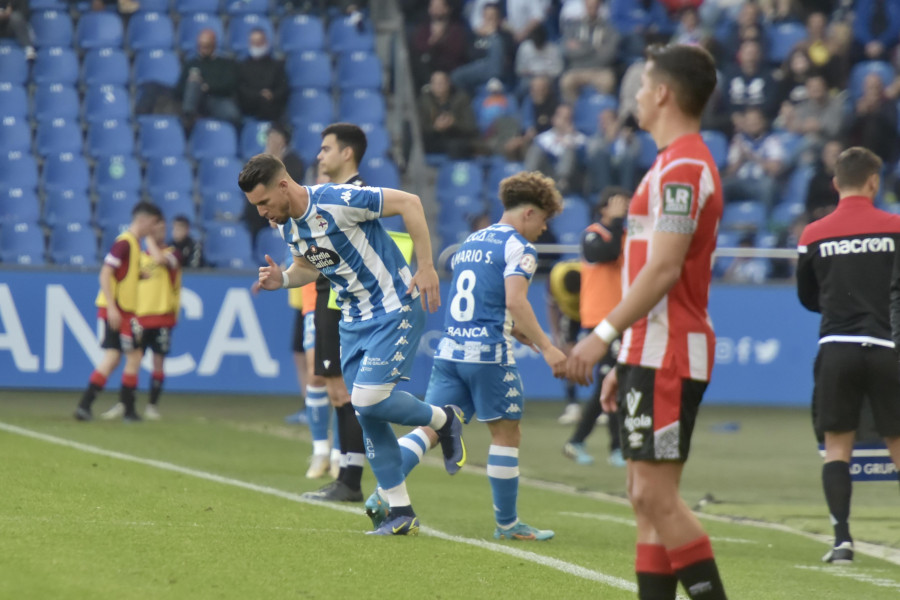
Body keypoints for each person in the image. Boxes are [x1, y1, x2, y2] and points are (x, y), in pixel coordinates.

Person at [567, 44, 727, 600]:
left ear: (662, 93)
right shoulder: (667, 163)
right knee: (642, 495)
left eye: (641, 85)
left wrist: (602, 336)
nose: (634, 95)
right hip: (648, 348)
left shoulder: (685, 166)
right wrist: (624, 355)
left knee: (657, 498)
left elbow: (662, 271)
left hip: (671, 349)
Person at [240, 154, 465, 536]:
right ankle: (401, 511)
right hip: (354, 321)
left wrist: (426, 266)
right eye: (256, 206)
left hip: (395, 306)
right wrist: (285, 280)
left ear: (283, 185)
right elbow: (309, 266)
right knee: (367, 414)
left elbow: (410, 202)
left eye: (264, 203)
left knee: (366, 399)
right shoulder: (288, 228)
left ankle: (444, 419)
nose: (262, 212)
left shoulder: (337, 199)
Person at [369, 171, 566, 542]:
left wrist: (516, 328)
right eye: (543, 219)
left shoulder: (471, 242)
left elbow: (484, 301)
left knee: (431, 427)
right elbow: (514, 300)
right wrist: (548, 346)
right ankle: (508, 525)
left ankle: (383, 493)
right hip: (488, 355)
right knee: (506, 433)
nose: (543, 229)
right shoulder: (520, 247)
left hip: (450, 351)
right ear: (528, 213)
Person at [798, 146, 900, 565]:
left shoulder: (813, 234)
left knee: (837, 446)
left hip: (836, 347)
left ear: (836, 183)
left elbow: (807, 297)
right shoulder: (896, 227)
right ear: (874, 181)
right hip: (887, 348)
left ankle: (842, 540)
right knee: (897, 442)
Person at [74, 202, 163, 422]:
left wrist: (137, 276)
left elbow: (119, 275)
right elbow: (105, 273)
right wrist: (113, 308)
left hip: (121, 310)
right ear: (143, 220)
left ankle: (86, 405)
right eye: (152, 223)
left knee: (114, 358)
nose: (153, 228)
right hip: (118, 311)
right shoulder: (125, 243)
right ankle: (129, 409)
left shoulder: (133, 244)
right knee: (133, 356)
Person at [563, 187, 629, 467]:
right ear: (604, 207)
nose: (624, 209)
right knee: (609, 380)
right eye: (618, 204)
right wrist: (614, 222)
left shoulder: (625, 235)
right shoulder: (594, 234)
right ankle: (604, 445)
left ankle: (583, 441)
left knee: (614, 381)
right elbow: (607, 253)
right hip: (600, 319)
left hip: (623, 316)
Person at [101, 218, 182, 421]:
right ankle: (124, 403)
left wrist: (149, 240)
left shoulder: (173, 253)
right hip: (139, 316)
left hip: (163, 317)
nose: (160, 232)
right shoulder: (137, 256)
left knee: (158, 363)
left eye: (163, 229)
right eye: (156, 229)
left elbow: (161, 261)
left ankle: (152, 406)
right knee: (132, 362)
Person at [244, 122, 305, 240]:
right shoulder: (260, 160)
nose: (271, 140)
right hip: (257, 214)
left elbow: (285, 186)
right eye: (270, 136)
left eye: (275, 136)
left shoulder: (294, 161)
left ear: (283, 140)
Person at [176, 29, 241, 129]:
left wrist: (206, 86)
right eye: (201, 46)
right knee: (193, 82)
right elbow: (178, 89)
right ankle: (188, 118)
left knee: (233, 115)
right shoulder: (191, 63)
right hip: (195, 100)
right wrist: (191, 82)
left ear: (214, 45)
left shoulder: (225, 63)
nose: (203, 49)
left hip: (216, 99)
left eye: (207, 46)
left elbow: (229, 84)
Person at [547, 259, 582, 426]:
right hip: (568, 315)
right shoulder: (554, 279)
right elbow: (551, 306)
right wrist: (556, 334)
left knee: (603, 355)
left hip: (593, 311)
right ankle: (572, 405)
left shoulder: (589, 276)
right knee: (568, 356)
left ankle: (605, 407)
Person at [237, 28, 288, 122]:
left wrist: (271, 95)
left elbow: (282, 88)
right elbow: (241, 89)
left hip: (272, 105)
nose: (256, 45)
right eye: (253, 42)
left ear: (266, 42)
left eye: (259, 42)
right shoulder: (242, 66)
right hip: (250, 106)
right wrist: (259, 95)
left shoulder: (276, 65)